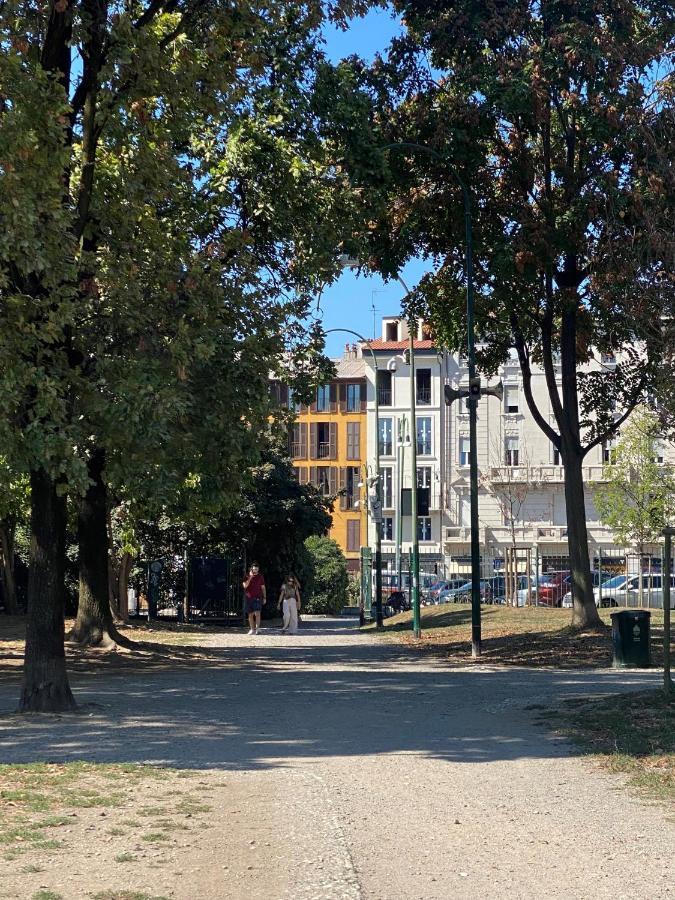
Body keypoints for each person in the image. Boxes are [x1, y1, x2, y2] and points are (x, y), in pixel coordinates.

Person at [243, 562, 266, 635]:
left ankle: (257, 629)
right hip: (249, 597)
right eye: (254, 567)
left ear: (258, 569)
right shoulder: (246, 576)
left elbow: (263, 588)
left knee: (257, 613)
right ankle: (252, 629)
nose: (255, 569)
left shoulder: (260, 576)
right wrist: (250, 577)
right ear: (252, 568)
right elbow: (245, 586)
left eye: (257, 568)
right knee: (250, 614)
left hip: (258, 597)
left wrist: (265, 597)